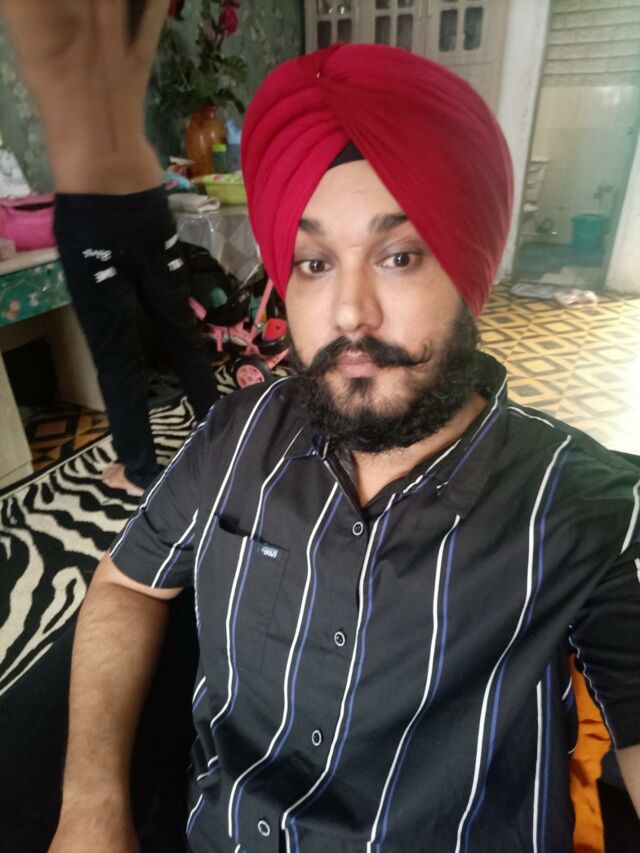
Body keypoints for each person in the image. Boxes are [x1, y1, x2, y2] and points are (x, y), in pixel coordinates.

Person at [44, 43, 640, 852]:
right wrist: (90, 804)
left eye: (399, 255)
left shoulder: (584, 511)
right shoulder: (237, 436)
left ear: (470, 267)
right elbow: (126, 582)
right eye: (315, 262)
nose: (351, 311)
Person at [0, 0, 219, 496]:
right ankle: (226, 441)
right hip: (146, 197)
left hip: (89, 206)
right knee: (182, 333)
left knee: (117, 355)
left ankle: (140, 470)